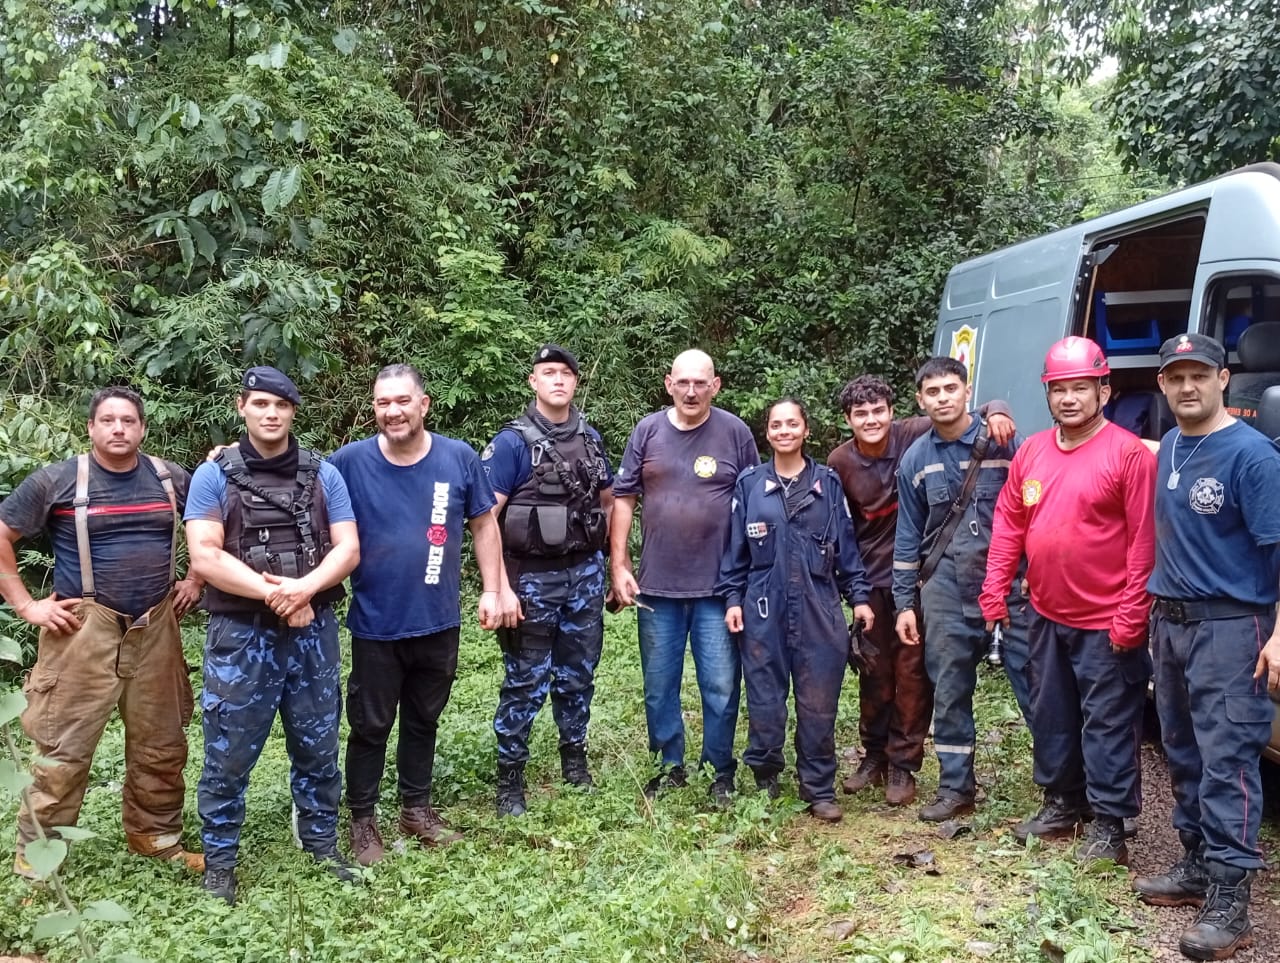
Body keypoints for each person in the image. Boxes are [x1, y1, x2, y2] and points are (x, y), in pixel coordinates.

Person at [1, 387, 203, 878]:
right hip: (81, 631)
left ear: (143, 429)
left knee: (162, 742)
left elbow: (215, 521)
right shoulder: (55, 481)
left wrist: (195, 578)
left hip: (157, 626)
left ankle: (155, 838)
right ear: (90, 428)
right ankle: (37, 863)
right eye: (108, 420)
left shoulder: (170, 478)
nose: (118, 429)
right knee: (62, 750)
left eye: (128, 421)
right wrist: (27, 605)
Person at [185, 366, 361, 904]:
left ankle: (322, 843)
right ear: (242, 407)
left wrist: (305, 589)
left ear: (293, 412)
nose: (270, 413)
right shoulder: (213, 476)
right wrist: (278, 597)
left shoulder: (324, 474)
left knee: (318, 743)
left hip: (313, 634)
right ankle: (220, 862)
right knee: (228, 752)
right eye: (260, 403)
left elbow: (348, 548)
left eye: (281, 405)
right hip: (242, 636)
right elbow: (205, 556)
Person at [329, 364, 518, 865]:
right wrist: (231, 457)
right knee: (369, 725)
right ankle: (362, 821)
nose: (392, 411)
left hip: (438, 619)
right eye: (382, 403)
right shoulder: (348, 463)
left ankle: (416, 809)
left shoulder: (457, 458)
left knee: (423, 719)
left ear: (424, 404)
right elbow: (298, 485)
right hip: (376, 623)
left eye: (402, 401)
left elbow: (484, 525)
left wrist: (494, 589)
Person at [979, 337, 1156, 866]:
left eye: (1081, 387)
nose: (1069, 398)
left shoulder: (1128, 454)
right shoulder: (1032, 451)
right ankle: (1063, 803)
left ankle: (1109, 826)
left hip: (1107, 621)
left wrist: (1131, 615)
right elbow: (1009, 524)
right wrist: (995, 589)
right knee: (1051, 713)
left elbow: (1144, 543)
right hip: (1046, 613)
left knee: (1108, 723)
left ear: (1104, 390)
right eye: (1059, 389)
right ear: (1048, 395)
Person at [1133, 332, 1280, 961]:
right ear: (1162, 385)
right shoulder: (1171, 443)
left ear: (1223, 379)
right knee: (1183, 751)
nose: (1187, 386)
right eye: (1176, 377)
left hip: (1231, 627)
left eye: (1200, 375)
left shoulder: (1254, 456)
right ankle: (1197, 864)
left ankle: (1231, 901)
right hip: (1172, 625)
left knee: (1229, 762)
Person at [828, 375, 1021, 807]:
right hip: (871, 579)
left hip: (921, 576)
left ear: (894, 411)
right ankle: (874, 756)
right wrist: (852, 587)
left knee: (914, 675)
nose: (871, 420)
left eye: (878, 410)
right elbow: (841, 527)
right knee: (874, 673)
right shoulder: (840, 461)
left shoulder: (914, 434)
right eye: (861, 413)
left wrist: (999, 408)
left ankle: (904, 763)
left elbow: (965, 410)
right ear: (847, 420)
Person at [611, 349, 758, 805]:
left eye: (700, 383)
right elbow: (623, 498)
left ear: (715, 386)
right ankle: (668, 766)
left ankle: (719, 770)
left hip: (719, 588)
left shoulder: (735, 432)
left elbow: (755, 501)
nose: (691, 391)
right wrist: (619, 564)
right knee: (659, 686)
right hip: (657, 587)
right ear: (668, 383)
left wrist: (750, 577)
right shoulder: (647, 431)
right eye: (683, 382)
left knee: (720, 685)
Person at [717, 399, 874, 821]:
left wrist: (860, 598)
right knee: (765, 700)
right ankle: (765, 779)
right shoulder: (750, 484)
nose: (784, 431)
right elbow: (734, 554)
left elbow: (847, 548)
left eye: (792, 424)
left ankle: (818, 787)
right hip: (763, 608)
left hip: (819, 609)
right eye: (776, 425)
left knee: (819, 703)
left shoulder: (828, 484)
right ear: (767, 433)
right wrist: (732, 601)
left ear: (806, 430)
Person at [482, 344, 613, 816]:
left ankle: (574, 761)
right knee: (525, 680)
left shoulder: (591, 438)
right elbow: (485, 518)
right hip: (531, 580)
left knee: (579, 674)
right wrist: (499, 587)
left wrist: (613, 565)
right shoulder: (512, 443)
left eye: (565, 373)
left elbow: (609, 501)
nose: (558, 380)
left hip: (584, 574)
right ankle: (510, 779)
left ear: (575, 382)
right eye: (548, 372)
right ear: (533, 382)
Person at [891, 356, 1023, 822]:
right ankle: (955, 788)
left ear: (968, 392)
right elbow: (908, 536)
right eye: (933, 392)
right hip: (944, 586)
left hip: (1011, 584)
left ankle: (1064, 791)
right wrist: (904, 604)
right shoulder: (915, 460)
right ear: (920, 400)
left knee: (1036, 686)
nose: (943, 398)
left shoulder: (1004, 441)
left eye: (951, 388)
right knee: (949, 689)